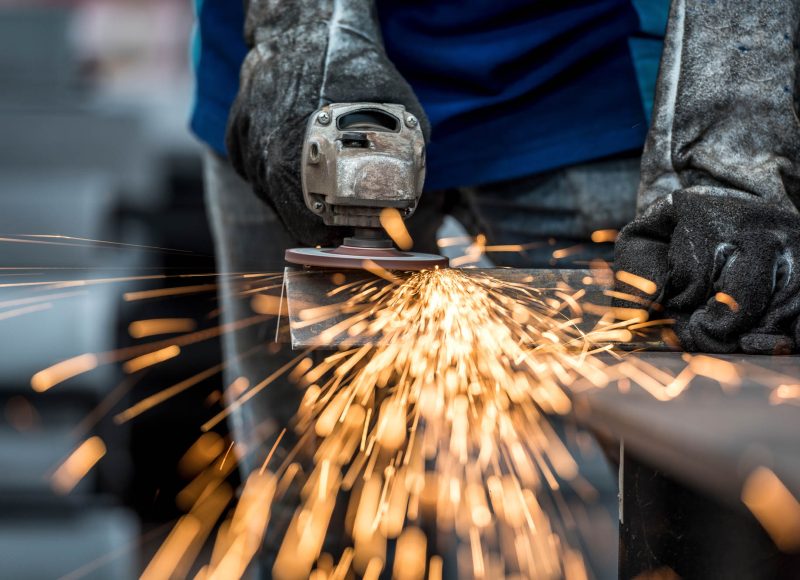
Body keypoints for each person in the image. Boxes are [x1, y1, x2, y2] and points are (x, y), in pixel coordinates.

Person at [191, 0, 800, 575]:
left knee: (651, 500)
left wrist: (732, 154)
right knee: (314, 510)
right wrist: (298, 33)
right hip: (291, 106)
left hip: (568, 71)